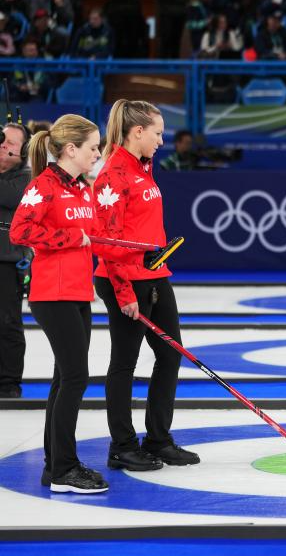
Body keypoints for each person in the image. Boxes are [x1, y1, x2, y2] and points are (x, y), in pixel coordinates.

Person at [9, 114, 116, 493]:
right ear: (71, 149)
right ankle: (64, 470)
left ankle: (54, 464)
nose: (98, 154)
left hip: (77, 292)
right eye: (93, 147)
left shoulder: (83, 188)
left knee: (64, 379)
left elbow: (95, 235)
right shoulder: (45, 185)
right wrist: (70, 237)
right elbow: (21, 230)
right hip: (52, 294)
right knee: (75, 378)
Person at [94, 100, 199, 473]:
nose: (161, 141)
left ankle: (158, 439)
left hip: (154, 275)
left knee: (170, 354)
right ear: (137, 132)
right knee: (124, 362)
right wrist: (124, 293)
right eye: (157, 133)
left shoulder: (142, 166)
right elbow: (107, 243)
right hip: (123, 280)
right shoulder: (112, 175)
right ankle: (122, 446)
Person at [0, 120, 29, 399]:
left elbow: (9, 197)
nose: (3, 146)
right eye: (2, 140)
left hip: (8, 262)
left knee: (8, 322)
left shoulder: (27, 177)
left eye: (10, 143)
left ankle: (9, 382)